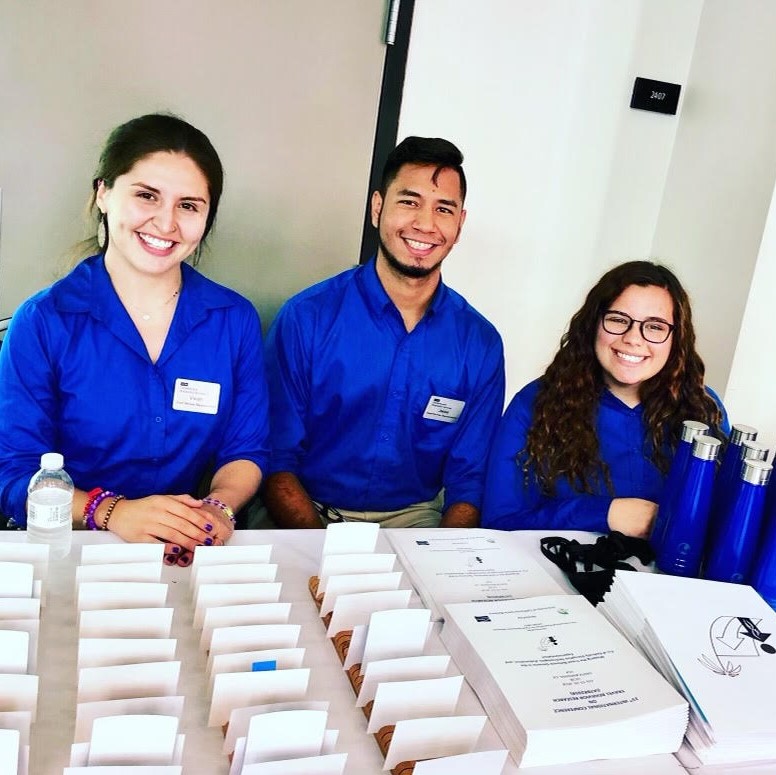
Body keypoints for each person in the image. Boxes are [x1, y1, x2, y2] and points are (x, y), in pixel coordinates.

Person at [0, 113, 270, 565]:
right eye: (147, 196)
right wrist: (113, 513)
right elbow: (13, 472)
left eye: (188, 205)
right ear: (103, 194)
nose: (165, 223)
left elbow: (246, 450)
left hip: (184, 548)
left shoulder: (233, 320)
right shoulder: (44, 322)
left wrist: (216, 510)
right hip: (69, 548)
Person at [262, 136, 505, 529]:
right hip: (306, 511)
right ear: (377, 208)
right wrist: (322, 555)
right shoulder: (307, 318)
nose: (425, 224)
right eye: (409, 202)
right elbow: (276, 459)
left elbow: (469, 481)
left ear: (459, 225)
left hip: (415, 520)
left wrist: (437, 564)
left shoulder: (480, 343)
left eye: (444, 209)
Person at [481, 260, 729, 538]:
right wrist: (606, 513)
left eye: (655, 327)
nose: (634, 339)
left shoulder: (705, 409)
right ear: (593, 324)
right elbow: (499, 522)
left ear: (677, 338)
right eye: (618, 320)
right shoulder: (534, 403)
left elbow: (722, 521)